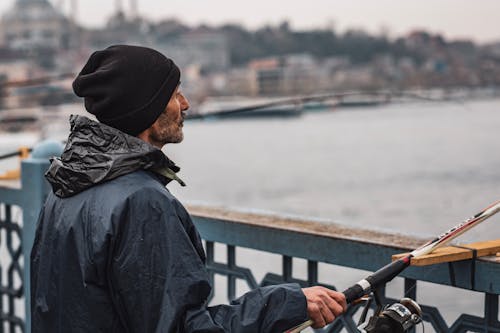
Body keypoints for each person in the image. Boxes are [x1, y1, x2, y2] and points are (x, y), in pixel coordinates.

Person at [30, 45, 346, 333]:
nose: (186, 104)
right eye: (174, 94)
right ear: (148, 110)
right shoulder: (143, 202)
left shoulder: (67, 186)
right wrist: (287, 303)